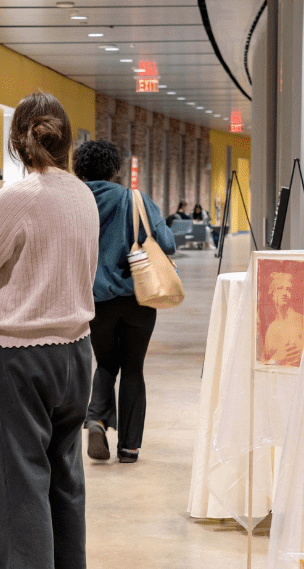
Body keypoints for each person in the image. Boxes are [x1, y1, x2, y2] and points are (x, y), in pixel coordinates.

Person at [0, 91, 100, 569]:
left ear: (19, 145)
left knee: (19, 482)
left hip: (21, 354)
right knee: (66, 477)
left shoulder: (15, 199)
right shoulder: (83, 195)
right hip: (78, 352)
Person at [72, 139, 175, 464]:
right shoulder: (135, 199)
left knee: (104, 363)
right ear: (114, 168)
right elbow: (167, 243)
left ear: (80, 169)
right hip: (137, 298)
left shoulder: (75, 201)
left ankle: (96, 421)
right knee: (133, 368)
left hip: (95, 301)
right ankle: (129, 448)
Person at [263, 271, 304, 366]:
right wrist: (277, 359)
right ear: (272, 294)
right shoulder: (271, 328)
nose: (284, 293)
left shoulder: (303, 321)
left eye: (288, 289)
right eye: (279, 288)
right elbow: (265, 364)